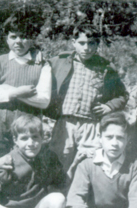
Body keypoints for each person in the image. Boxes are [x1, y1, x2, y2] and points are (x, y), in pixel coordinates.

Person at [47, 24, 128, 173]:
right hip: (65, 123)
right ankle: (59, 193)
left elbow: (122, 94)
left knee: (89, 162)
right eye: (82, 43)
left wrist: (109, 106)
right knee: (60, 159)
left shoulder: (105, 67)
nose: (86, 48)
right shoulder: (60, 62)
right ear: (73, 42)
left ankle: (84, 194)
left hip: (91, 124)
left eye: (91, 43)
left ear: (97, 44)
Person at [0, 16, 51, 164]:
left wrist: (8, 90)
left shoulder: (42, 64)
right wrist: (16, 93)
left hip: (27, 124)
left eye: (24, 37)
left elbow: (43, 100)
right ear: (7, 39)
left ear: (32, 39)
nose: (18, 41)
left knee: (23, 165)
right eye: (13, 36)